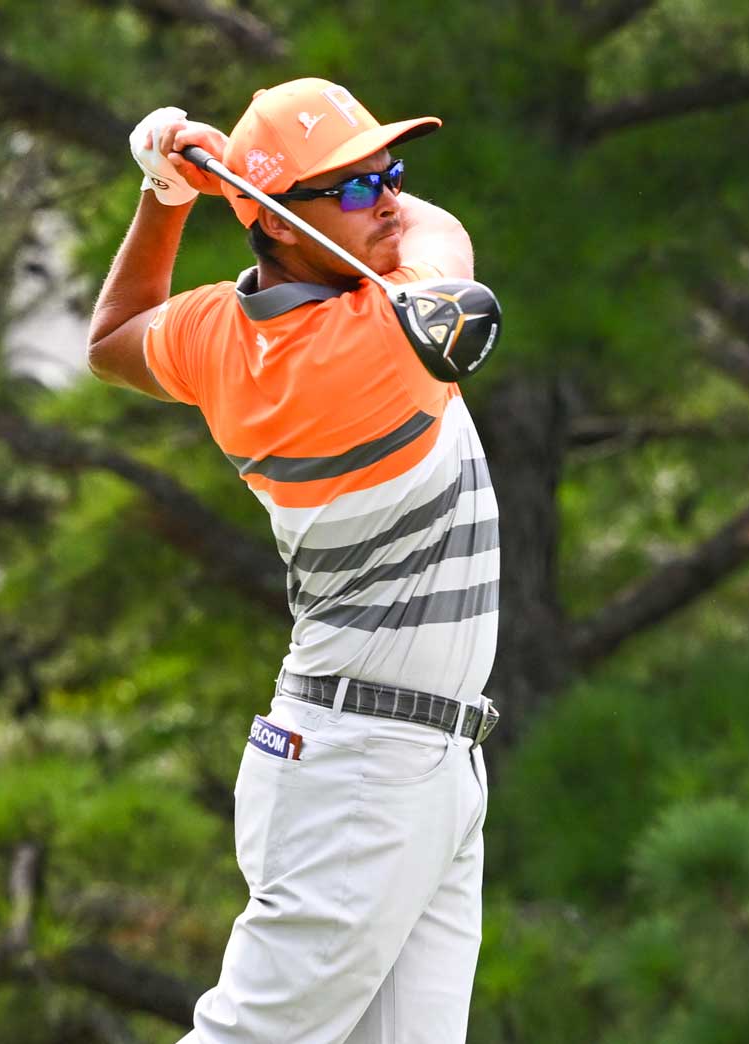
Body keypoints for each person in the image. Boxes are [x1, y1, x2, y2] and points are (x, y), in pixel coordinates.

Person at [86, 77, 501, 1044]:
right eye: (354, 188)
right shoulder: (382, 338)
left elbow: (111, 340)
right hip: (365, 769)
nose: (389, 198)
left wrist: (165, 196)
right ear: (276, 225)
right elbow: (443, 238)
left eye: (389, 171)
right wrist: (222, 180)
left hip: (417, 761)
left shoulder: (213, 335)